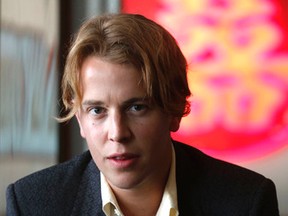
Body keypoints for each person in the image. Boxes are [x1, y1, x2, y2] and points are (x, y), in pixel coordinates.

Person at [6, 13, 279, 216]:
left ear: (174, 110)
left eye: (137, 107)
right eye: (97, 110)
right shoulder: (32, 203)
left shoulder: (246, 201)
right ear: (80, 118)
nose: (118, 133)